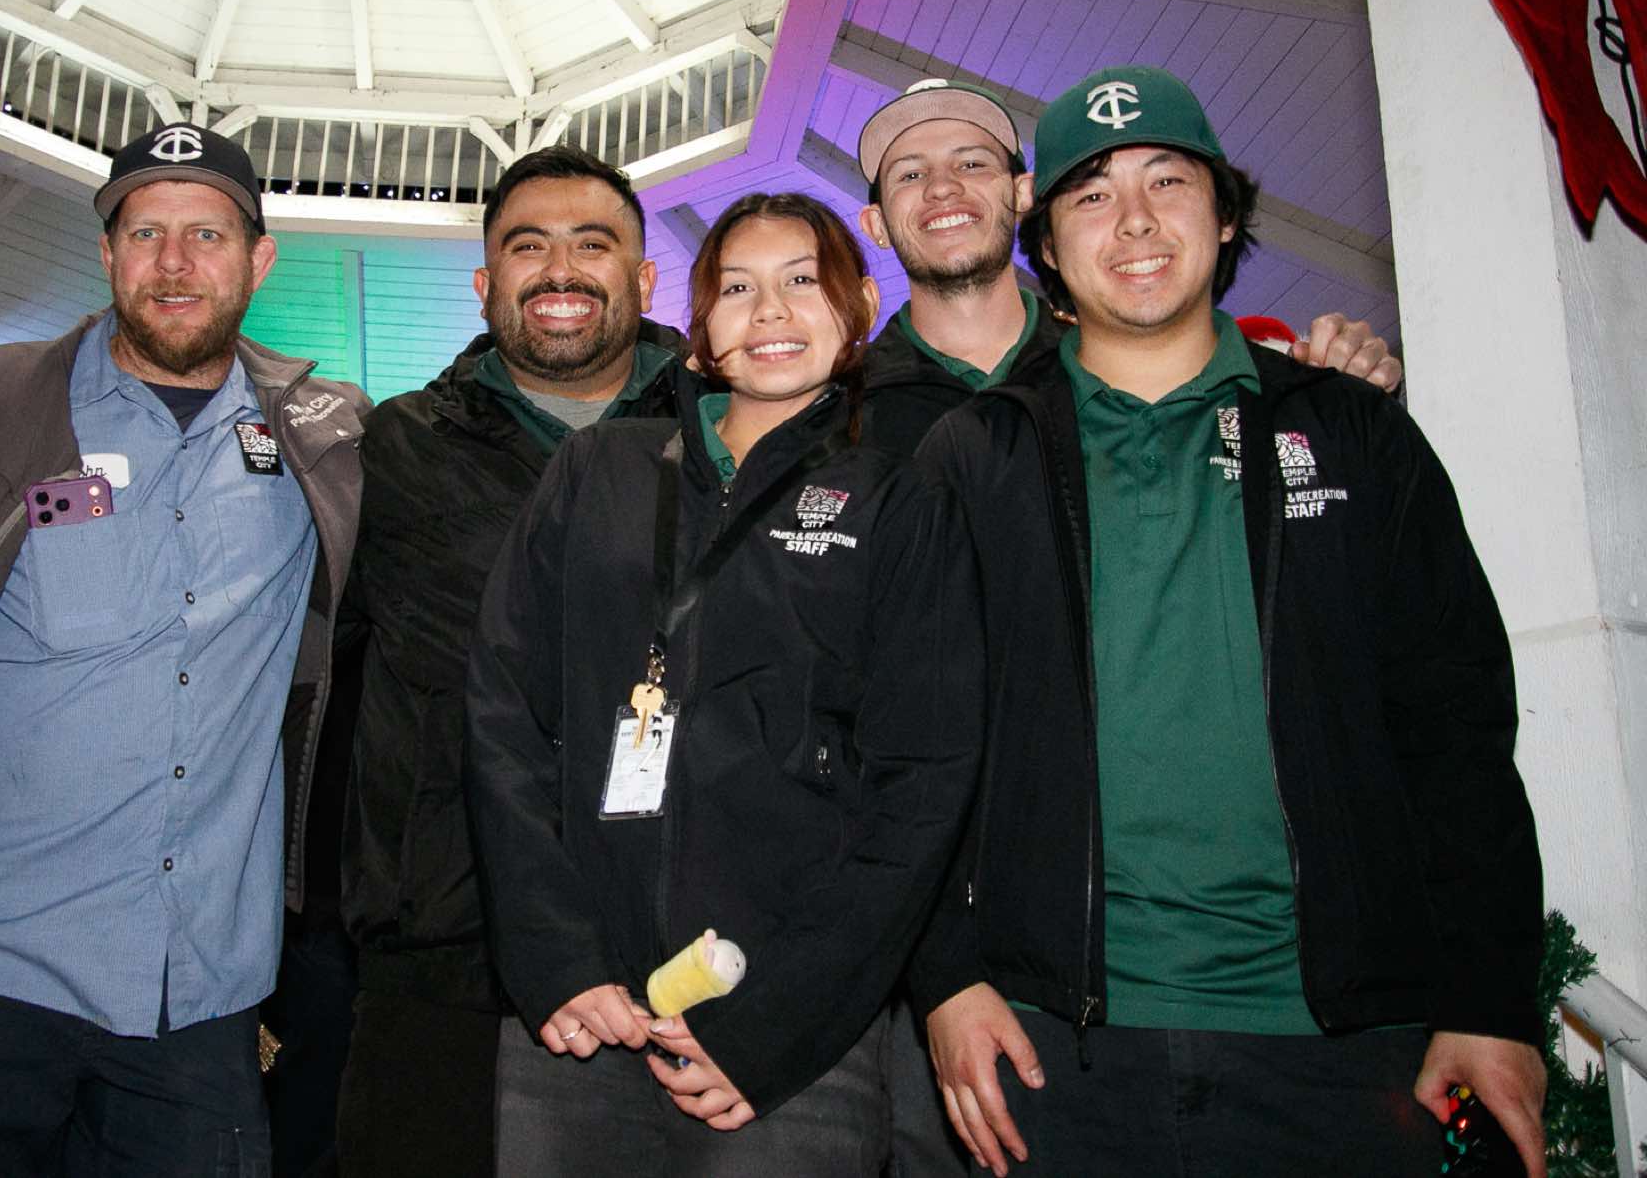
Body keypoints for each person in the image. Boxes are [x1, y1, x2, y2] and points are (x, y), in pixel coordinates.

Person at [910, 66, 1546, 1176]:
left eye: (1168, 180)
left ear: (1225, 215)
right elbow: (913, 740)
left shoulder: (1352, 434)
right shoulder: (975, 455)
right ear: (1046, 246)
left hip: (1345, 1047)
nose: (1135, 220)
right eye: (1091, 195)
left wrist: (1489, 1001)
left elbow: (1456, 730)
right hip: (1048, 1046)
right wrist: (946, 976)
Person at [0, 123, 368, 1177]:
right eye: (145, 233)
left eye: (207, 235)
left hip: (199, 998)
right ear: (106, 252)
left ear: (258, 259)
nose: (173, 263)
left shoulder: (324, 442)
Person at [465, 192, 985, 1175]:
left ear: (857, 307)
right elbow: (503, 714)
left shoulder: (899, 503)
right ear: (699, 328)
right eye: (737, 288)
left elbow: (921, 786)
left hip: (786, 1043)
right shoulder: (597, 469)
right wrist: (554, 960)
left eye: (802, 281)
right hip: (579, 1021)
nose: (770, 311)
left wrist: (778, 1023)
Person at [336, 146, 685, 1175]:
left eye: (593, 244)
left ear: (643, 277)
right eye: (528, 248)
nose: (560, 269)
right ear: (486, 283)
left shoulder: (726, 432)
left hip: (671, 941)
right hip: (442, 943)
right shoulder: (396, 447)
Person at [852, 77, 1403, 460]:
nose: (943, 188)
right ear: (875, 223)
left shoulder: (1121, 367)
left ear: (1023, 194)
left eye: (972, 163)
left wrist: (1332, 395)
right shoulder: (838, 406)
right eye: (910, 175)